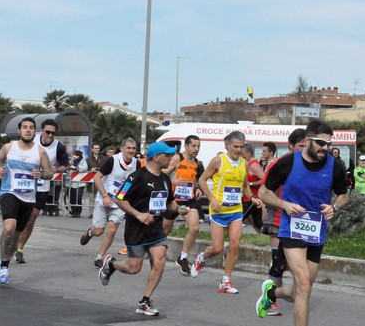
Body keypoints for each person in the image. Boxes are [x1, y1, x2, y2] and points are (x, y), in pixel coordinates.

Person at [255, 119, 348, 326]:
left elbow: (343, 194)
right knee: (304, 285)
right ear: (307, 140)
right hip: (291, 229)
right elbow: (264, 193)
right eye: (321, 143)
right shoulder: (287, 163)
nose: (325, 148)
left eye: (329, 144)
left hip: (316, 231)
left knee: (300, 291)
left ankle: (271, 294)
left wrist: (335, 207)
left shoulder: (335, 165)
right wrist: (285, 205)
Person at [98, 142, 189, 316]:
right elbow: (119, 199)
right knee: (134, 268)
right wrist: (138, 214)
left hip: (155, 228)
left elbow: (169, 202)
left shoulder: (164, 179)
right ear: (156, 157)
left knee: (160, 260)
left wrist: (179, 209)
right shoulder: (136, 177)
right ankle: (111, 265)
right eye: (167, 155)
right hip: (136, 229)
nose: (170, 158)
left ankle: (145, 301)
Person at [191, 131, 262, 294]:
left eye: (241, 147)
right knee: (217, 248)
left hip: (236, 210)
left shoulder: (244, 163)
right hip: (218, 210)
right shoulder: (218, 161)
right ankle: (201, 257)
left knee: (235, 245)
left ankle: (225, 281)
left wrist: (251, 198)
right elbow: (202, 180)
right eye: (235, 146)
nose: (238, 150)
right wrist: (211, 199)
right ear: (227, 145)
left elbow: (245, 186)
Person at [0, 117, 54, 284]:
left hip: (28, 197)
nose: (28, 130)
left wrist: (41, 174)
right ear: (19, 131)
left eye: (31, 128)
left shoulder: (40, 151)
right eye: (25, 127)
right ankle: (4, 267)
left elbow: (50, 173)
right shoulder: (9, 147)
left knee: (16, 234)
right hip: (9, 192)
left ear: (35, 132)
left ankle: (4, 259)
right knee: (9, 227)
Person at [262, 128, 307, 316]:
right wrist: (267, 209)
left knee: (292, 262)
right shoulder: (280, 164)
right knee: (278, 261)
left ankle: (283, 292)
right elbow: (265, 190)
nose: (304, 149)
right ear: (290, 145)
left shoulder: (309, 165)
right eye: (300, 146)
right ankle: (270, 299)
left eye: (306, 146)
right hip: (279, 217)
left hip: (301, 220)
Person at [14, 119, 69, 263]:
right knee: (18, 218)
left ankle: (19, 248)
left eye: (53, 133)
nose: (50, 135)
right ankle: (12, 240)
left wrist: (54, 169)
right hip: (24, 183)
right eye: (47, 132)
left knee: (31, 219)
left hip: (42, 186)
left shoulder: (58, 147)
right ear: (42, 130)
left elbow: (65, 165)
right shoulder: (32, 140)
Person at [79, 137, 139, 267]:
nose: (131, 151)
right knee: (99, 231)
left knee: (112, 229)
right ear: (122, 149)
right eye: (128, 148)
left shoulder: (136, 163)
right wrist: (105, 196)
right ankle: (90, 232)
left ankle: (99, 257)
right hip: (104, 199)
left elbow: (134, 183)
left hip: (120, 203)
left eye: (133, 148)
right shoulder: (113, 160)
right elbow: (97, 177)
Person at [161, 135, 204, 275]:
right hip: (173, 200)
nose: (196, 149)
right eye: (194, 146)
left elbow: (194, 179)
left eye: (198, 146)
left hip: (188, 200)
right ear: (186, 146)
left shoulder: (196, 162)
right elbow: (160, 174)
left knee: (195, 228)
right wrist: (173, 182)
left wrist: (197, 189)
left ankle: (183, 257)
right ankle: (155, 254)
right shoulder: (177, 159)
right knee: (165, 229)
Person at [241, 143, 265, 233]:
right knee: (258, 222)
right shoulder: (247, 164)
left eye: (242, 153)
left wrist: (251, 184)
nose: (240, 155)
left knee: (239, 218)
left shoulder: (254, 165)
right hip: (249, 197)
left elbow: (264, 179)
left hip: (252, 198)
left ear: (248, 153)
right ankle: (264, 237)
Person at [67, 150, 88, 218]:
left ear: (78, 155)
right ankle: (73, 212)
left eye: (74, 155)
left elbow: (84, 168)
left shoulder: (83, 161)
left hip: (80, 183)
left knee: (78, 197)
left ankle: (78, 212)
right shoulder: (71, 160)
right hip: (71, 183)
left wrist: (76, 168)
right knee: (72, 198)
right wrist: (69, 164)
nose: (73, 156)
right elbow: (66, 168)